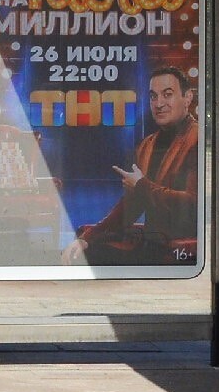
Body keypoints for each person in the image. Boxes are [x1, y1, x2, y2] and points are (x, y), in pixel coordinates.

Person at [61, 64, 202, 266]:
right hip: (151, 242)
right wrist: (88, 237)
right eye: (153, 96)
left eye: (167, 94)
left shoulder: (197, 138)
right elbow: (131, 205)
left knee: (88, 257)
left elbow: (192, 205)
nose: (159, 103)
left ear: (187, 97)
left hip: (177, 246)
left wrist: (142, 185)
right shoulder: (147, 145)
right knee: (80, 244)